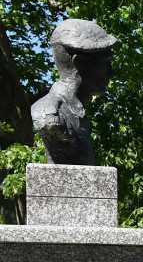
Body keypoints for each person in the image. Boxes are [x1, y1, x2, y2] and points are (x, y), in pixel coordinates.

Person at [31, 19, 118, 166]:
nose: (112, 73)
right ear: (79, 63)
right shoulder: (52, 114)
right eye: (105, 63)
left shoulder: (75, 111)